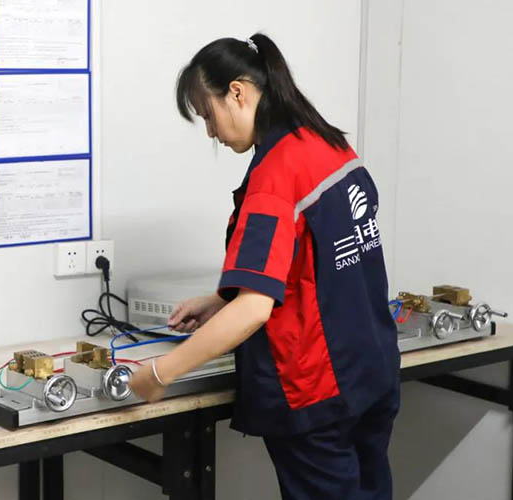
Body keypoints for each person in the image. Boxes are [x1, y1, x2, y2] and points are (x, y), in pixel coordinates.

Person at [129, 33, 400, 500]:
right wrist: (221, 300)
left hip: (318, 391)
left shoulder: (275, 175)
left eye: (207, 115)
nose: (211, 132)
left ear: (237, 92)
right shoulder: (328, 146)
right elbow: (317, 261)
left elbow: (255, 310)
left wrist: (160, 373)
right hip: (371, 372)